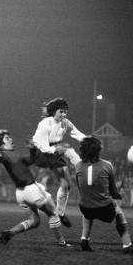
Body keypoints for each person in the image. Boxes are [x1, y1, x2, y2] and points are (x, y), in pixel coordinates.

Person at [0, 129, 69, 247]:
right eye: (7, 138)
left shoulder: (15, 155)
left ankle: (9, 233)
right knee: (53, 213)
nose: (11, 139)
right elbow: (0, 158)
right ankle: (62, 242)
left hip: (21, 194)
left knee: (35, 221)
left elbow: (30, 160)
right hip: (31, 190)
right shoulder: (5, 154)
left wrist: (32, 149)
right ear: (1, 145)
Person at [74, 136, 133, 253]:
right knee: (119, 212)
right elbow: (114, 191)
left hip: (85, 208)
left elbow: (80, 188)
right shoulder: (107, 165)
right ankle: (127, 244)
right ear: (98, 151)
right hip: (104, 208)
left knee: (87, 211)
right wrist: (117, 201)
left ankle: (84, 239)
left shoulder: (78, 166)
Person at [32, 98, 85, 228]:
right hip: (41, 152)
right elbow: (43, 146)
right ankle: (36, 203)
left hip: (55, 150)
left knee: (66, 185)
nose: (64, 115)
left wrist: (89, 140)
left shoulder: (65, 122)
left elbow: (78, 134)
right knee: (66, 149)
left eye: (66, 112)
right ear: (54, 111)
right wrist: (57, 149)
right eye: (61, 112)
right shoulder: (44, 124)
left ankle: (60, 213)